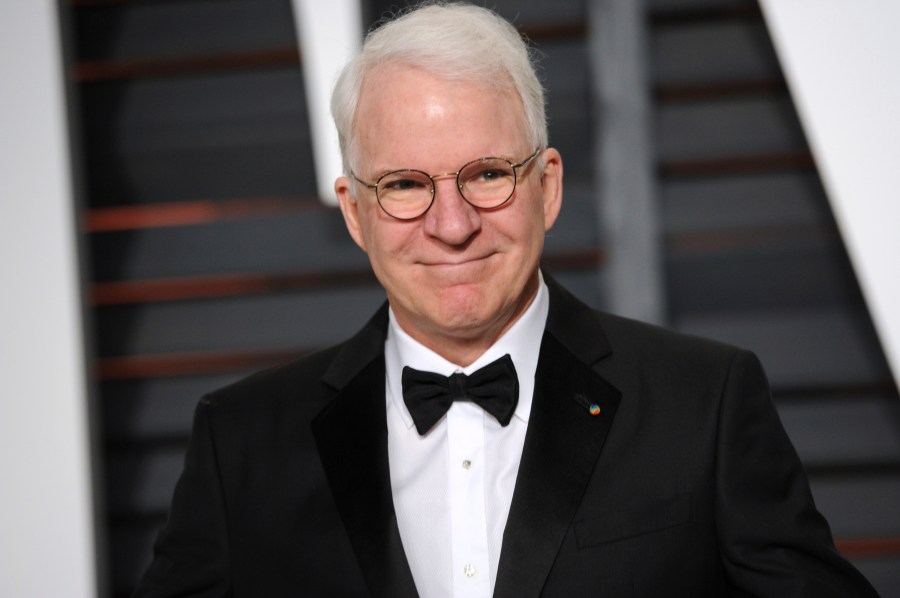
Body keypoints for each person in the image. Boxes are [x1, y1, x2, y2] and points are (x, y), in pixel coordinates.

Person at [134, 2, 880, 597]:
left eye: (487, 174)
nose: (452, 225)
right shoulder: (240, 443)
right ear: (355, 213)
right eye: (403, 185)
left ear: (547, 187)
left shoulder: (706, 403)